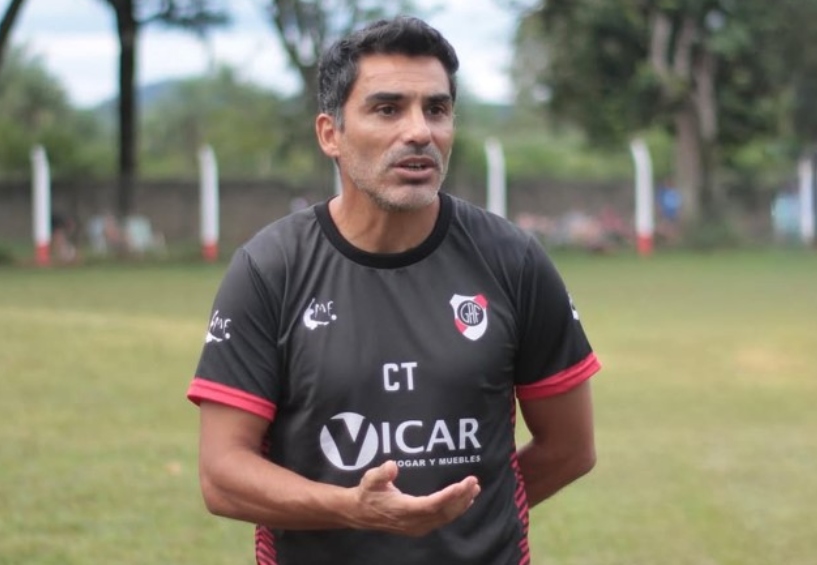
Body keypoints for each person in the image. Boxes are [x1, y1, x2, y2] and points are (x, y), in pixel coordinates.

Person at [187, 16, 601, 564]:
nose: (419, 132)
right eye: (388, 109)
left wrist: (460, 517)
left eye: (437, 109)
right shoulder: (270, 269)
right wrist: (352, 509)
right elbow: (222, 475)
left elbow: (570, 448)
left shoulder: (512, 260)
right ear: (330, 134)